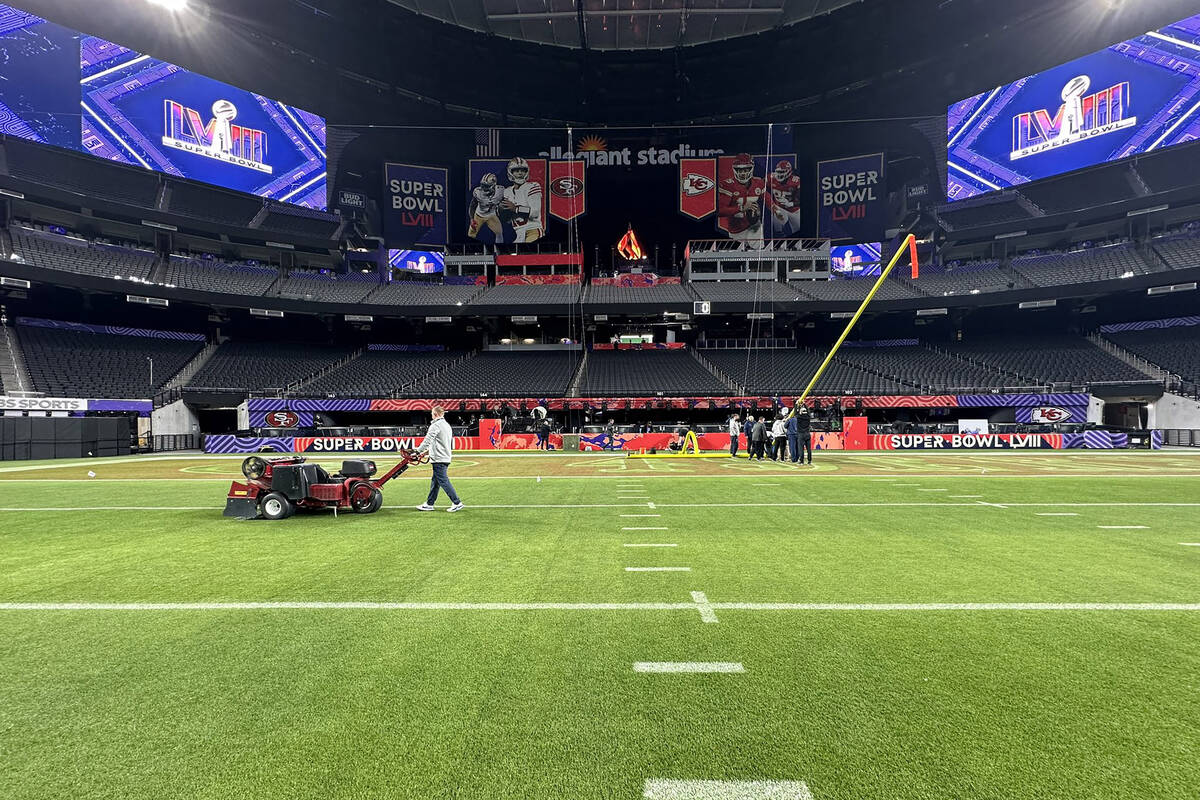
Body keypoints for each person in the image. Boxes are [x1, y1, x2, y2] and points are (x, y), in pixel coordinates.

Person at [415, 406, 464, 512]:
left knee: (443, 480)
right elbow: (439, 443)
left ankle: (457, 502)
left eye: (432, 414)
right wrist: (426, 452)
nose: (431, 415)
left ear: (435, 414)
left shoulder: (435, 426)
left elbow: (427, 441)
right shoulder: (446, 425)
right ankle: (429, 503)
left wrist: (417, 451)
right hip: (445, 456)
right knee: (435, 482)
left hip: (439, 458)